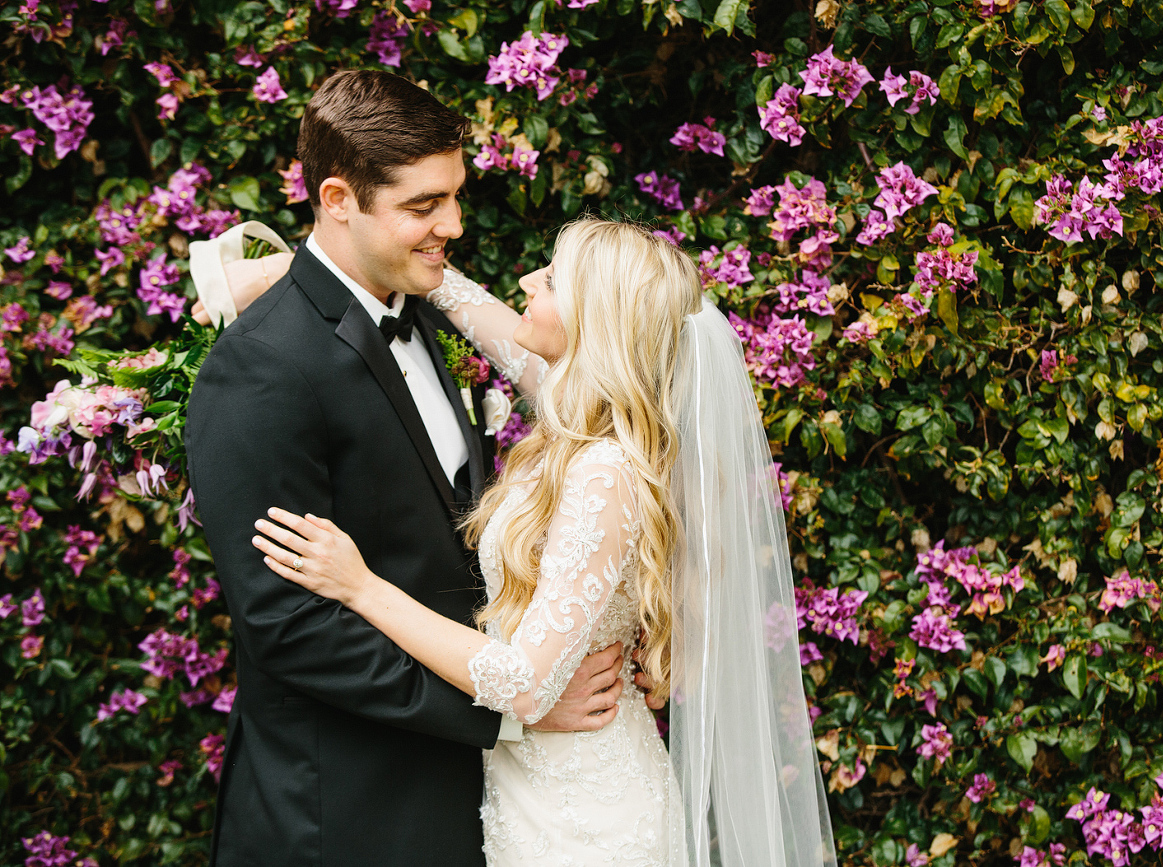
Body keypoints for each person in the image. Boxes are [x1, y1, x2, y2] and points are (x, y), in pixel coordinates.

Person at [233, 215, 836, 866]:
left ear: (591, 320)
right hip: (538, 791)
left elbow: (523, 686)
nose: (524, 279)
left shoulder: (603, 473)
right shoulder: (579, 409)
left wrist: (361, 587)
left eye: (548, 277)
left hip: (586, 820)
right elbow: (463, 301)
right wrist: (323, 264)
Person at [184, 70, 628, 867]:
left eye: (454, 197)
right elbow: (291, 628)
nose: (452, 224)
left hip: (475, 799)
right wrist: (511, 710)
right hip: (348, 814)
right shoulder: (259, 369)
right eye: (423, 206)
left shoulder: (419, 309)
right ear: (338, 197)